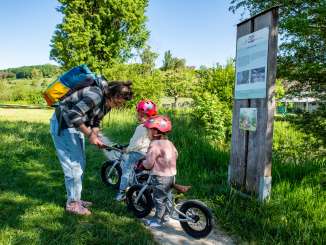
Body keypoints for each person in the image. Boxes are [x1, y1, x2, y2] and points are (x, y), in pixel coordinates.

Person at [50, 78, 132, 216]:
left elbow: (96, 120)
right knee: (73, 165)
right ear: (113, 94)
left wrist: (96, 136)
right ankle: (72, 204)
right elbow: (73, 114)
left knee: (80, 163)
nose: (119, 105)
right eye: (119, 101)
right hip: (63, 125)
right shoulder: (96, 95)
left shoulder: (107, 103)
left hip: (74, 126)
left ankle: (76, 199)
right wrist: (90, 136)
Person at [115, 99, 157, 201]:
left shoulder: (141, 127)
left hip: (138, 152)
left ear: (142, 114)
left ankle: (122, 193)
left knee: (126, 170)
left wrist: (128, 149)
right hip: (148, 153)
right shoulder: (153, 127)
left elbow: (136, 143)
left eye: (138, 113)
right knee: (140, 170)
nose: (137, 116)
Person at [142, 115, 178, 228]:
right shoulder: (169, 142)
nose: (147, 133)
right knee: (168, 196)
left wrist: (143, 164)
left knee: (158, 199)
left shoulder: (154, 144)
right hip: (171, 175)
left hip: (160, 177)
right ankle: (166, 217)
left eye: (148, 130)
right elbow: (176, 154)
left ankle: (157, 220)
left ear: (155, 132)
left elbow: (148, 164)